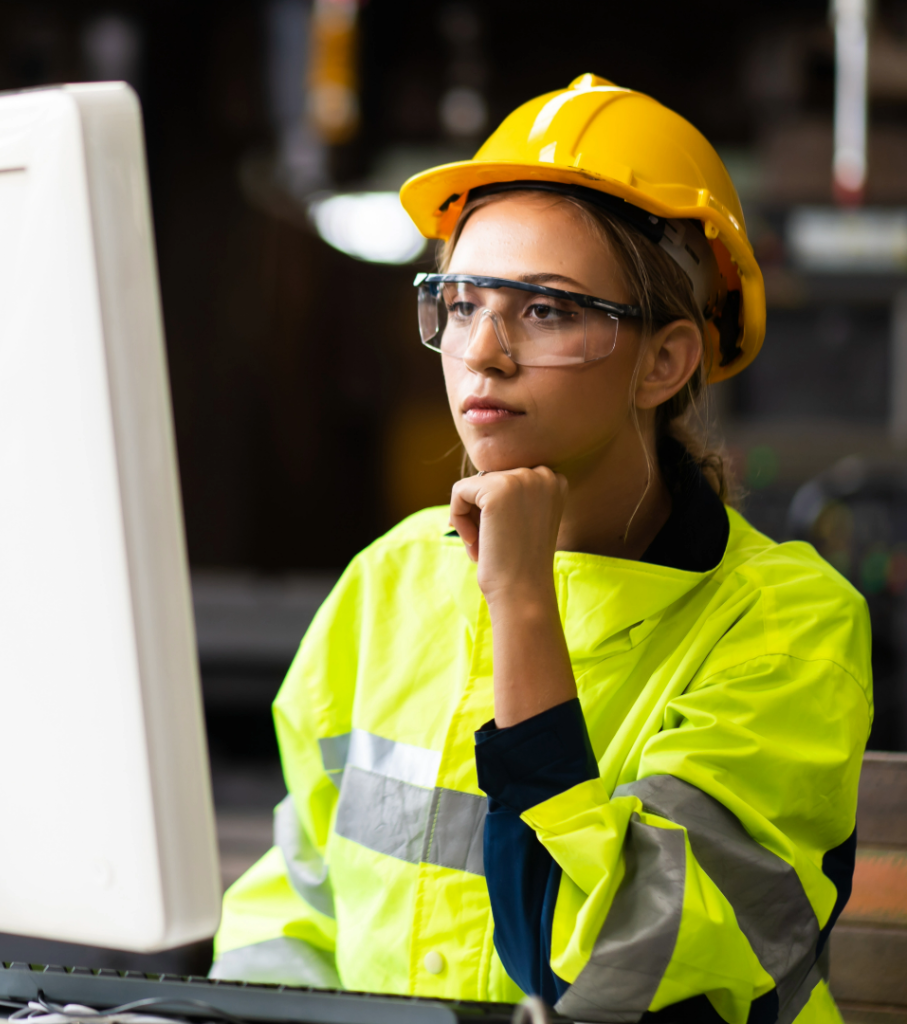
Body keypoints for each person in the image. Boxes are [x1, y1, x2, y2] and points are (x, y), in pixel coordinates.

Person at [210, 75, 872, 1024]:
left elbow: (599, 979)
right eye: (463, 302)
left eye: (546, 310)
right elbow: (293, 913)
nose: (484, 351)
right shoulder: (391, 579)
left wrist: (521, 602)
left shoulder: (783, 629)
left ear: (665, 361)